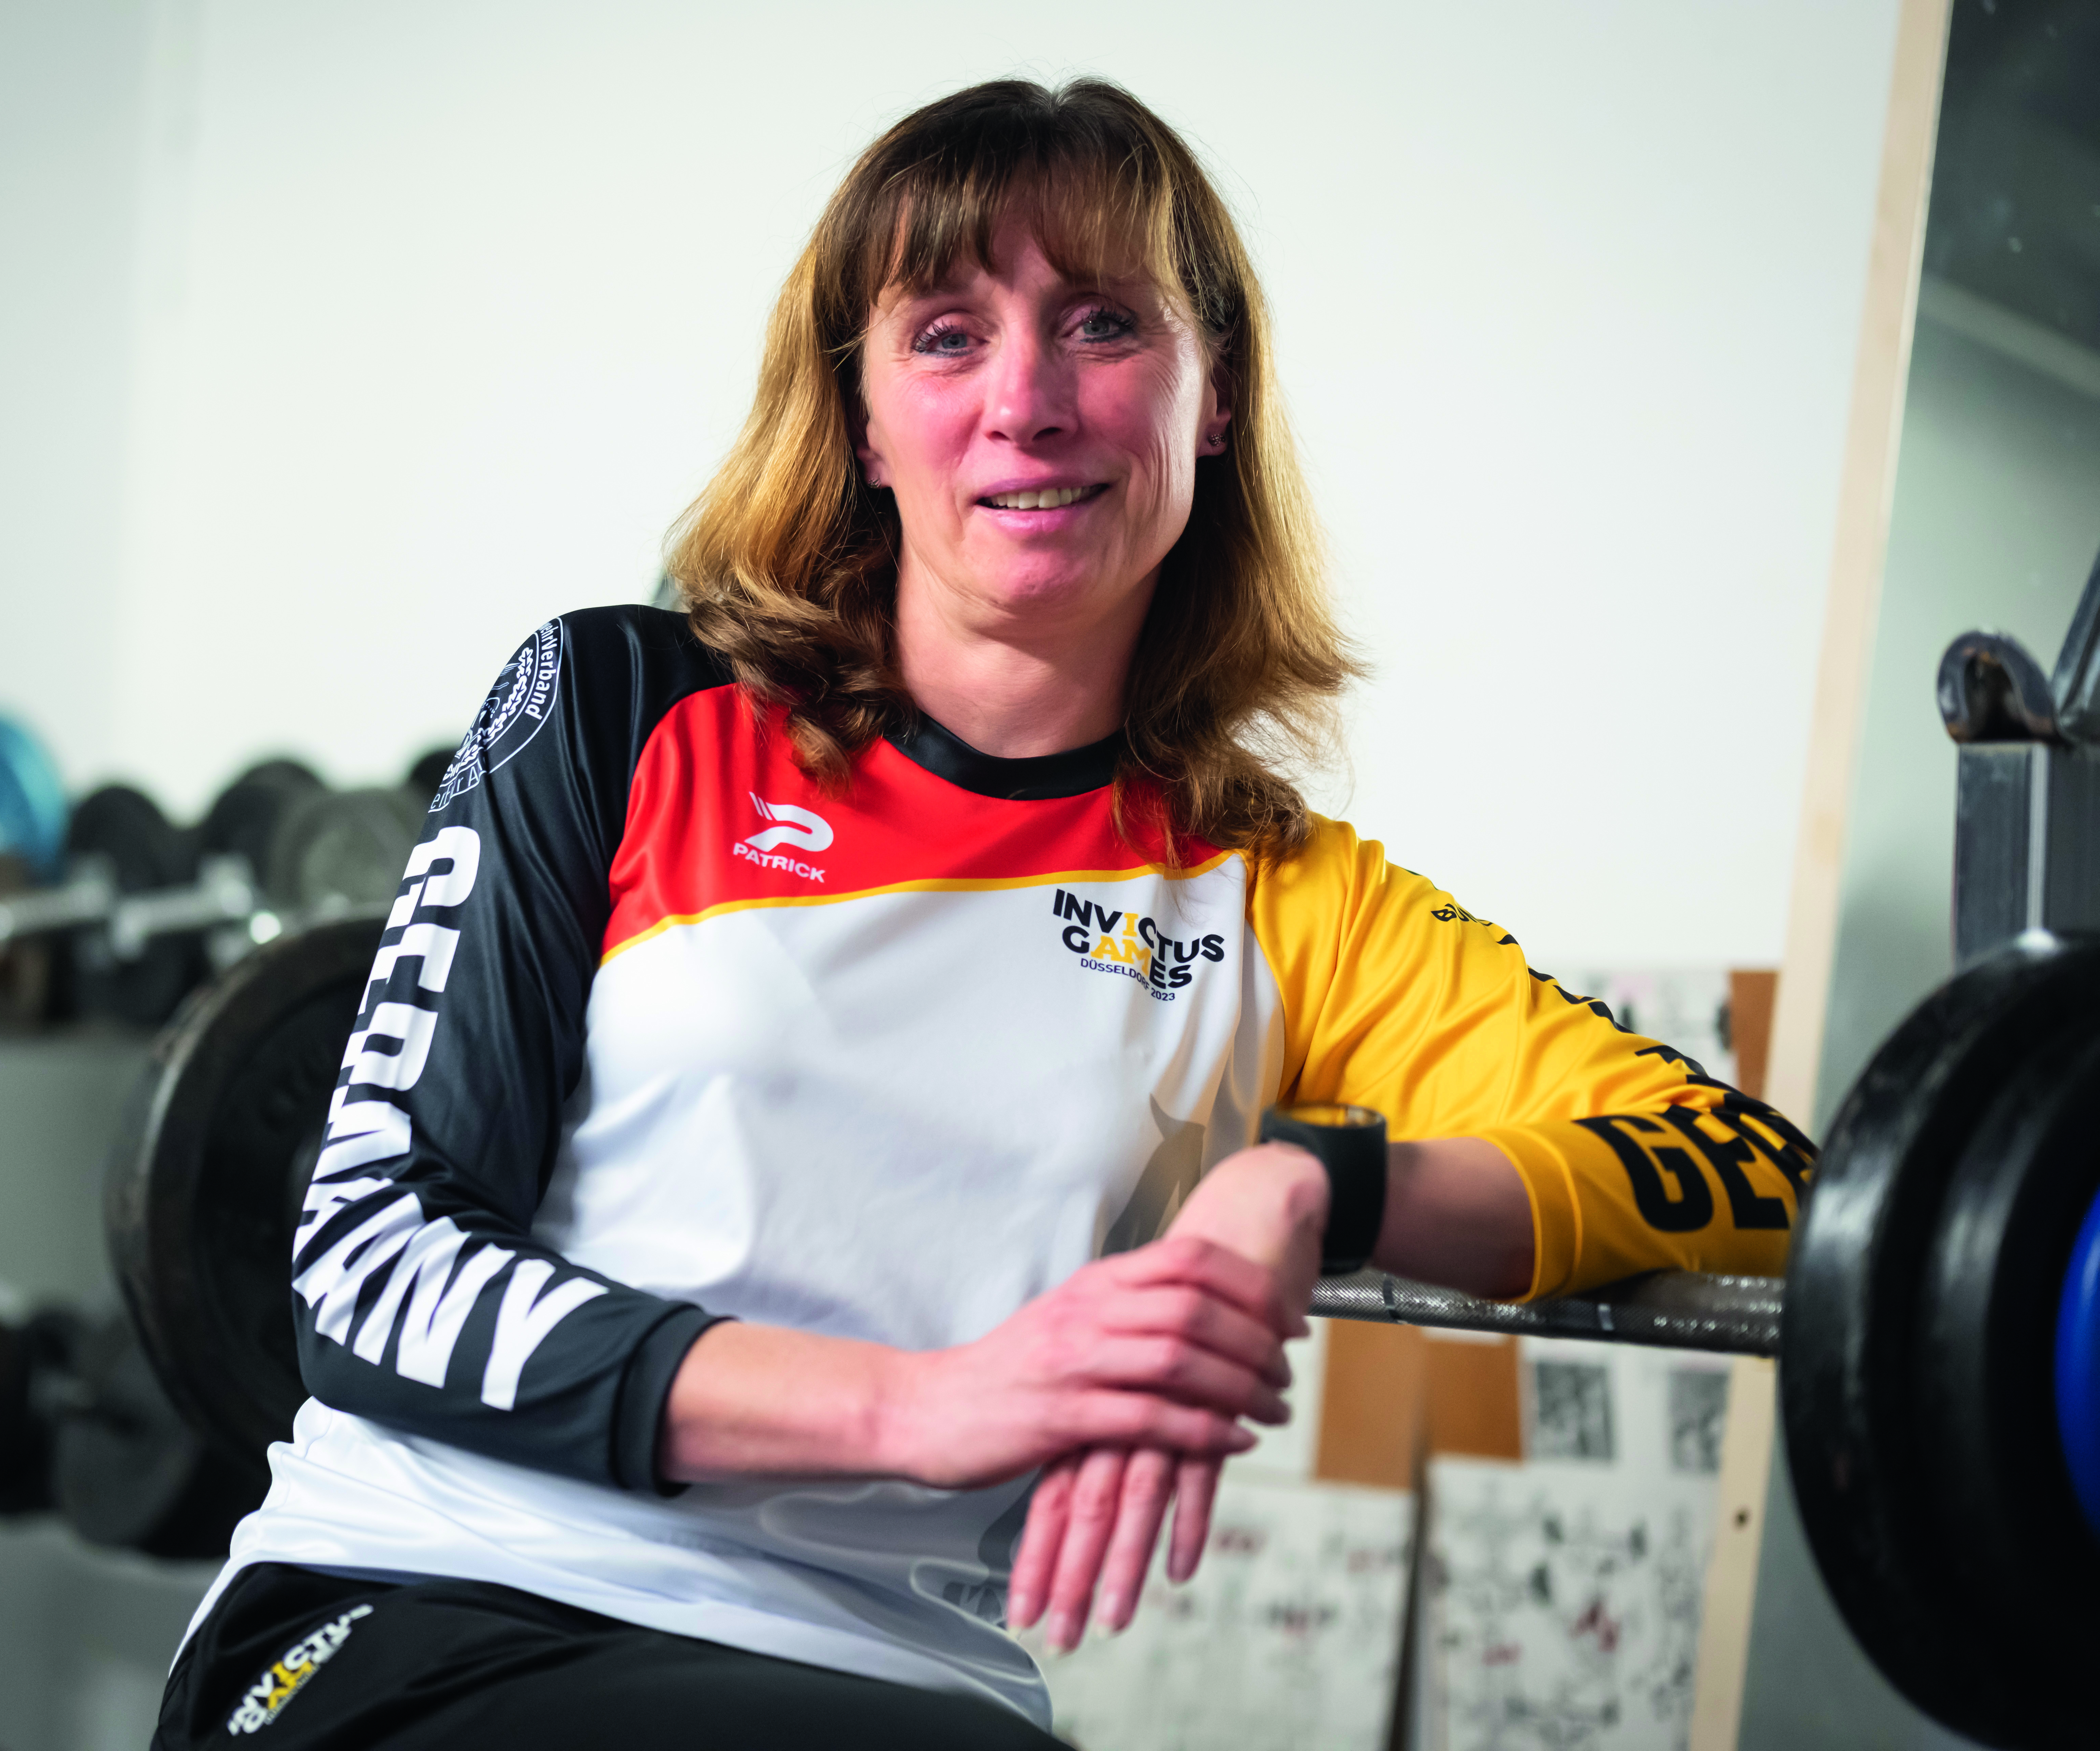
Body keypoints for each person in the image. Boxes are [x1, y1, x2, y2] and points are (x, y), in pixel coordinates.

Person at [153, 77, 1814, 1751]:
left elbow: (1768, 1176)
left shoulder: (1280, 895)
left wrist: (1320, 1178)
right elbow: (370, 1262)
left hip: (911, 1680)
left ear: (1214, 393)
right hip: (434, 1604)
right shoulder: (623, 708)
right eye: (946, 335)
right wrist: (924, 1406)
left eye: (1100, 323)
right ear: (863, 419)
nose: (1027, 403)